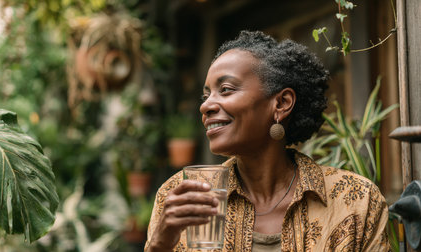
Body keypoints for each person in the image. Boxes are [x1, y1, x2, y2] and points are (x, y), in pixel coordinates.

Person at [145, 31, 390, 251]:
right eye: (206, 95)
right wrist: (159, 245)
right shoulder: (177, 196)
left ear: (281, 104)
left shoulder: (356, 200)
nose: (206, 105)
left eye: (227, 89)